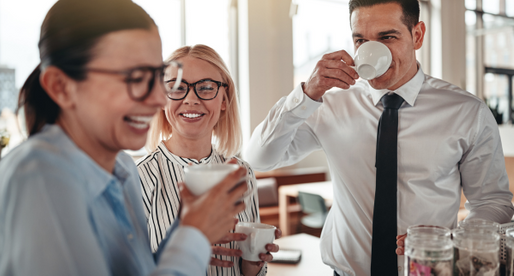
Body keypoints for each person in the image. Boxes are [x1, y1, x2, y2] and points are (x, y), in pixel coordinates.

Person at [244, 0, 514, 275]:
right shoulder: (329, 105)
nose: (371, 51)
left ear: (417, 35)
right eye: (361, 40)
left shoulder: (467, 111)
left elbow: (493, 203)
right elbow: (259, 158)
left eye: (387, 37)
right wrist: (305, 94)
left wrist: (449, 243)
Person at [0, 1, 249, 275]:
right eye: (135, 77)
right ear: (61, 87)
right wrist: (194, 236)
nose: (158, 99)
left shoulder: (124, 170)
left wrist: (184, 227)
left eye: (156, 76)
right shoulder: (39, 177)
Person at [137, 44, 280, 276]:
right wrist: (186, 252)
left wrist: (254, 263)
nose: (191, 99)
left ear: (224, 100)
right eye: (176, 87)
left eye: (205, 87)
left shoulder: (242, 173)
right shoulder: (138, 178)